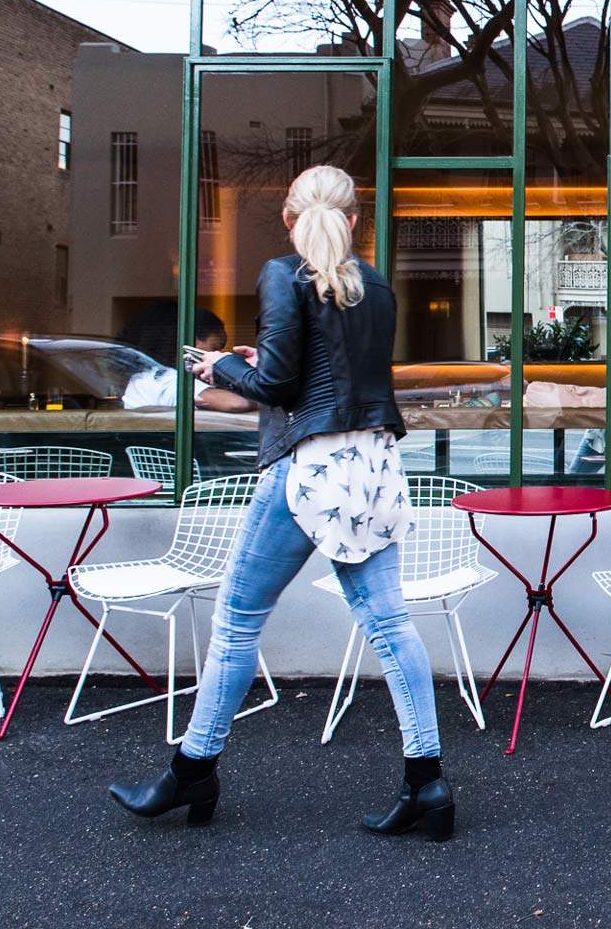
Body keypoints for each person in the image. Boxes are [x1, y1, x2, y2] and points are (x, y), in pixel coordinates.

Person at [109, 165, 454, 841]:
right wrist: (263, 360)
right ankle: (428, 782)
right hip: (373, 467)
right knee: (389, 624)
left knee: (237, 620)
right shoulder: (377, 286)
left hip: (309, 468)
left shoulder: (282, 274)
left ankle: (192, 769)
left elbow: (274, 385)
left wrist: (219, 367)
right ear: (354, 220)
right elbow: (329, 370)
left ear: (292, 219)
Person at [120, 309, 253, 413]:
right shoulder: (165, 380)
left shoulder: (145, 378)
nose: (216, 355)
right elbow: (236, 403)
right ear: (192, 341)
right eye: (214, 348)